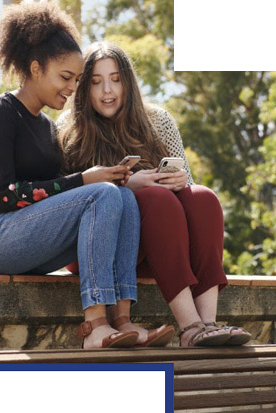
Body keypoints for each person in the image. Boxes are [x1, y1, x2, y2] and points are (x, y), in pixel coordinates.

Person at [0, 2, 173, 350]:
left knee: (121, 196)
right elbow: (6, 197)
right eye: (65, 77)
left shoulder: (47, 128)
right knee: (102, 192)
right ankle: (95, 326)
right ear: (36, 68)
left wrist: (115, 179)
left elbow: (60, 197)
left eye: (76, 79)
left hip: (24, 234)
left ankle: (123, 319)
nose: (73, 88)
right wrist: (86, 180)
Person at [58, 42, 251, 347]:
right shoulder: (69, 128)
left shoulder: (158, 121)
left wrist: (179, 180)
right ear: (83, 87)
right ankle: (190, 328)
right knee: (155, 199)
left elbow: (189, 190)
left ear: (129, 83)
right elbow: (66, 200)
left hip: (160, 246)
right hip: (98, 251)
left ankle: (209, 323)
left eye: (116, 79)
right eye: (96, 82)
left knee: (202, 197)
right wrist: (128, 186)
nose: (107, 90)